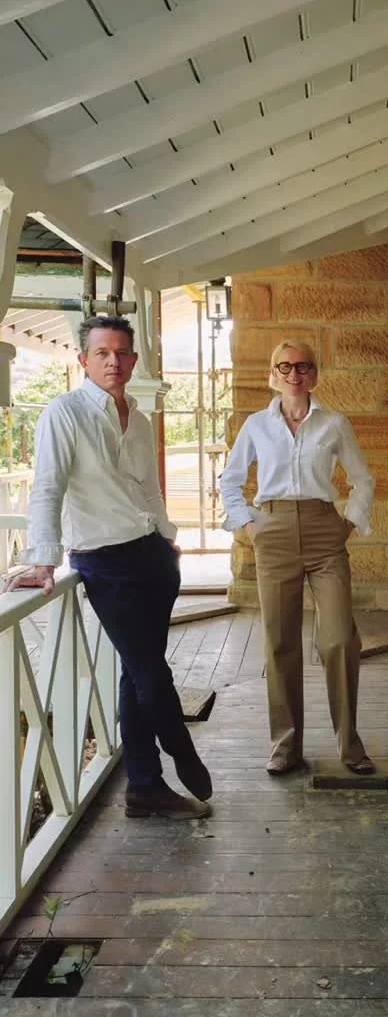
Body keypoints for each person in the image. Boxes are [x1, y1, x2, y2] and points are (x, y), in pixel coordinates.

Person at [6, 316, 212, 821]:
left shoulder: (137, 419)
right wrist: (43, 558)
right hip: (103, 561)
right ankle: (180, 747)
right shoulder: (65, 412)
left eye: (121, 353)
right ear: (84, 360)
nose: (112, 362)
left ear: (134, 360)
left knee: (136, 674)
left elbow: (149, 488)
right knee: (150, 671)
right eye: (101, 353)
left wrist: (166, 535)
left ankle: (143, 786)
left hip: (152, 557)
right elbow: (48, 487)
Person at [220, 339, 376, 776]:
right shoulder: (256, 425)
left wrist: (348, 523)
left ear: (315, 374)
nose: (294, 374)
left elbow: (363, 479)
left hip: (324, 529)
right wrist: (250, 526)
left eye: (303, 366)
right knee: (280, 640)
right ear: (273, 374)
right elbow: (230, 480)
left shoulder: (334, 423)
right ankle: (286, 746)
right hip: (273, 531)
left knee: (339, 638)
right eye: (284, 366)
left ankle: (350, 745)